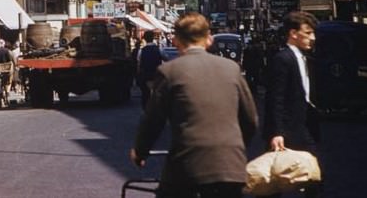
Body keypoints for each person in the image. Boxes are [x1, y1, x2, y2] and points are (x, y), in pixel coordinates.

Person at [131, 13, 257, 198]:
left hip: (187, 165)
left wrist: (140, 152)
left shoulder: (170, 71)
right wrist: (235, 147)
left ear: (176, 41)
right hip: (230, 166)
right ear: (209, 39)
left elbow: (153, 120)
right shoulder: (231, 69)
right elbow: (250, 119)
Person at [262, 11, 320, 196]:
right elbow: (275, 98)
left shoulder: (304, 58)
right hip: (287, 130)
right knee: (275, 180)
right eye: (308, 33)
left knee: (311, 177)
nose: (313, 38)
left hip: (303, 126)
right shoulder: (282, 59)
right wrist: (277, 132)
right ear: (293, 33)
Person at [137, 30, 165, 109]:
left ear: (144, 39)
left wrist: (138, 75)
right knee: (157, 94)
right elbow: (165, 59)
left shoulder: (141, 50)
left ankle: (146, 109)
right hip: (156, 75)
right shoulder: (159, 50)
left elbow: (139, 64)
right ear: (153, 38)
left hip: (145, 75)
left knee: (145, 94)